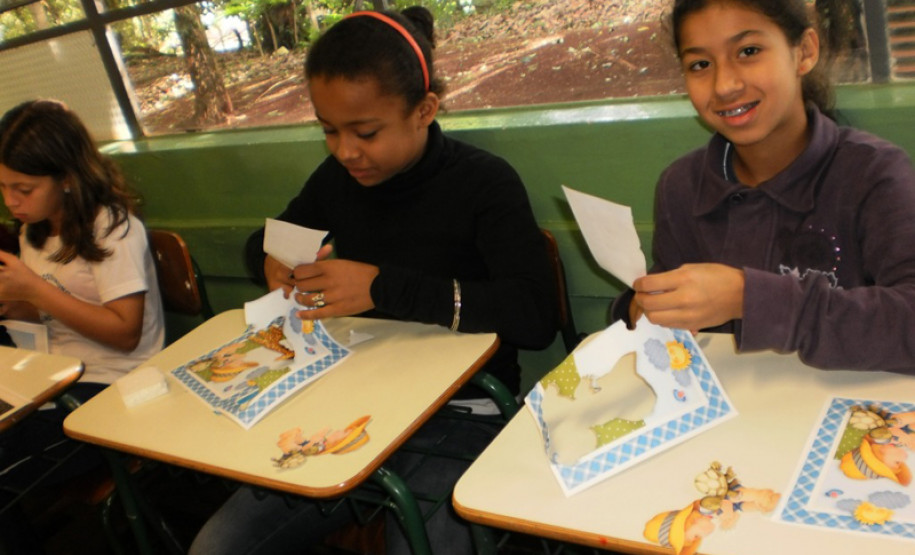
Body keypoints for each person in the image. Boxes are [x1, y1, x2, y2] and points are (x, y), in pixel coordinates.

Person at [190, 7, 556, 555]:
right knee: (216, 546)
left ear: (424, 111)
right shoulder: (337, 180)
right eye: (329, 131)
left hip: (463, 411)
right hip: (352, 403)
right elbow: (273, 236)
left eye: (365, 132)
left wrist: (383, 288)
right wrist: (271, 259)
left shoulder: (484, 183)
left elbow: (534, 315)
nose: (345, 151)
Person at [615, 0, 915, 373]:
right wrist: (643, 307)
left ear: (804, 52)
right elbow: (666, 315)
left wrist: (748, 297)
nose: (725, 85)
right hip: (733, 417)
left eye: (749, 51)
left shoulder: (873, 173)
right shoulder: (680, 186)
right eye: (700, 65)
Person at [0, 99, 165, 550]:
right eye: (3, 187)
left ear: (68, 178)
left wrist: (34, 290)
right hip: (52, 378)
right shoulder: (33, 230)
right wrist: (16, 306)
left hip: (113, 388)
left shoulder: (113, 228)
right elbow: (49, 318)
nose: (11, 201)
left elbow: (125, 334)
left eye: (24, 188)